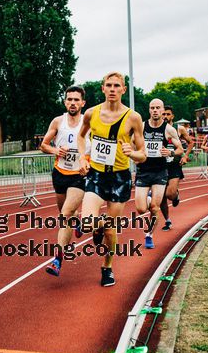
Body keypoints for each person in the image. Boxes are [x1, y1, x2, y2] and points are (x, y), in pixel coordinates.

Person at [77, 71, 145, 287]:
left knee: (111, 229)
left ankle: (107, 267)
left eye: (117, 85)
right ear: (103, 88)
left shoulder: (133, 117)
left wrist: (131, 152)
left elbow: (142, 153)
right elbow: (81, 136)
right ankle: (94, 227)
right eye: (109, 85)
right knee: (87, 224)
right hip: (96, 174)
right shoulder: (91, 113)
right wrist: (82, 157)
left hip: (120, 177)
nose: (113, 89)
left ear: (123, 89)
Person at [40, 85, 89, 277]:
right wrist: (55, 150)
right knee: (65, 215)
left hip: (80, 174)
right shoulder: (58, 121)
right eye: (69, 99)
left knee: (66, 214)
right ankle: (77, 224)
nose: (73, 103)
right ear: (65, 102)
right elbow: (43, 144)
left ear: (83, 103)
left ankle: (57, 260)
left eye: (76, 100)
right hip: (60, 173)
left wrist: (87, 161)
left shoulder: (89, 122)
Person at [134, 99, 182, 249]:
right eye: (152, 108)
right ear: (149, 110)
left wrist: (171, 152)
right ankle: (149, 201)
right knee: (141, 209)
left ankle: (149, 235)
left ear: (162, 111)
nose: (155, 110)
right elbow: (130, 143)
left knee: (155, 207)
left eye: (158, 108)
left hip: (160, 172)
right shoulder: (141, 126)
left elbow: (180, 149)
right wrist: (136, 154)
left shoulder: (169, 130)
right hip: (143, 171)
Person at [159, 106, 193, 231]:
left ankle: (175, 195)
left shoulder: (179, 129)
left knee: (170, 193)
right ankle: (167, 220)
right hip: (160, 166)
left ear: (172, 116)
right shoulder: (156, 129)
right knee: (161, 197)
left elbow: (191, 142)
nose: (165, 117)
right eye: (163, 114)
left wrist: (185, 156)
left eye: (168, 114)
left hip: (174, 165)